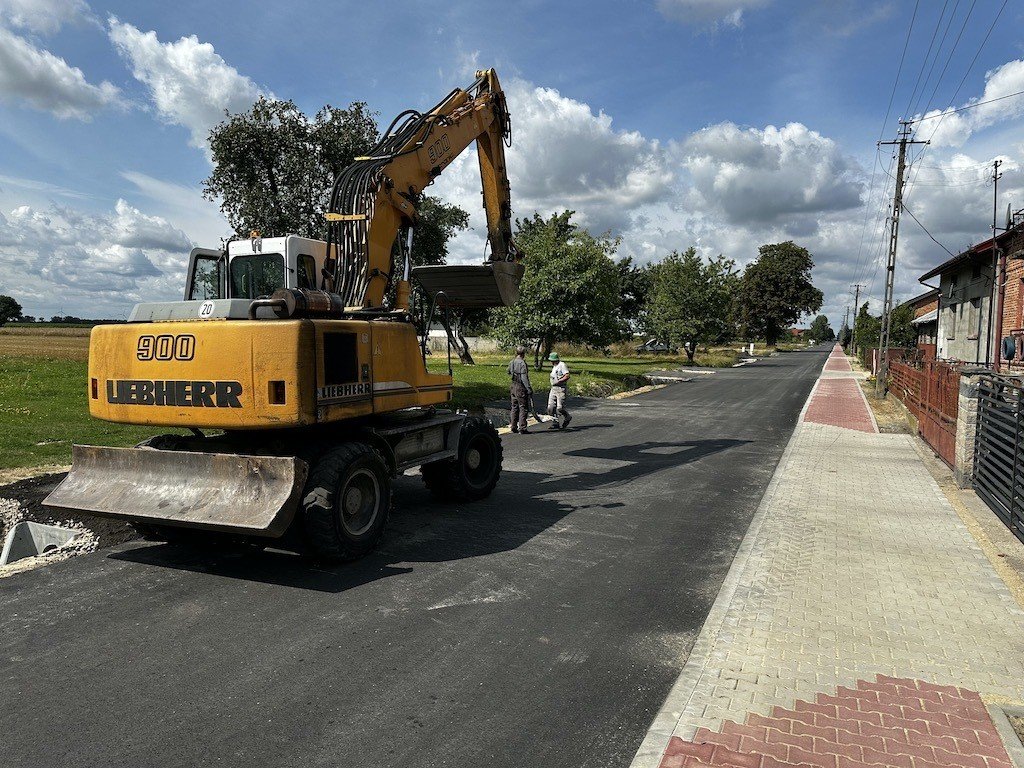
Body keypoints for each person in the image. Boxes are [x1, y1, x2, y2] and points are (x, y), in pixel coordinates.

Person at [507, 345, 533, 434]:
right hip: (520, 387)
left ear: (516, 352)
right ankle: (522, 428)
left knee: (514, 407)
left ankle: (513, 427)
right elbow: (524, 378)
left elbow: (508, 371)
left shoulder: (512, 362)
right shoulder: (522, 363)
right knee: (523, 407)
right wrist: (529, 389)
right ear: (523, 354)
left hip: (513, 386)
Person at [547, 352, 572, 430]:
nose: (550, 362)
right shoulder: (554, 366)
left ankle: (567, 417)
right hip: (553, 388)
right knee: (550, 407)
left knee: (559, 408)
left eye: (551, 360)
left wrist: (559, 381)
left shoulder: (562, 365)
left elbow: (567, 375)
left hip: (560, 388)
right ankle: (555, 423)